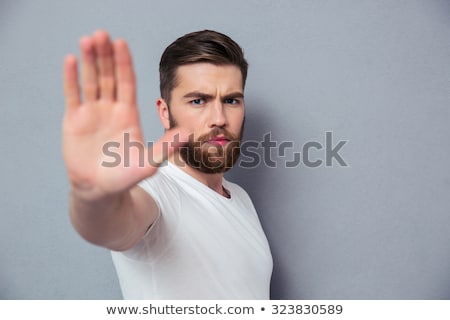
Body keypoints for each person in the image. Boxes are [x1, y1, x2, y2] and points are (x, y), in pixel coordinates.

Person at [62, 29, 273, 299]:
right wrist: (95, 197)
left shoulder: (240, 198)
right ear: (165, 112)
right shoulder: (155, 191)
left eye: (231, 100)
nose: (219, 118)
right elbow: (110, 224)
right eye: (199, 101)